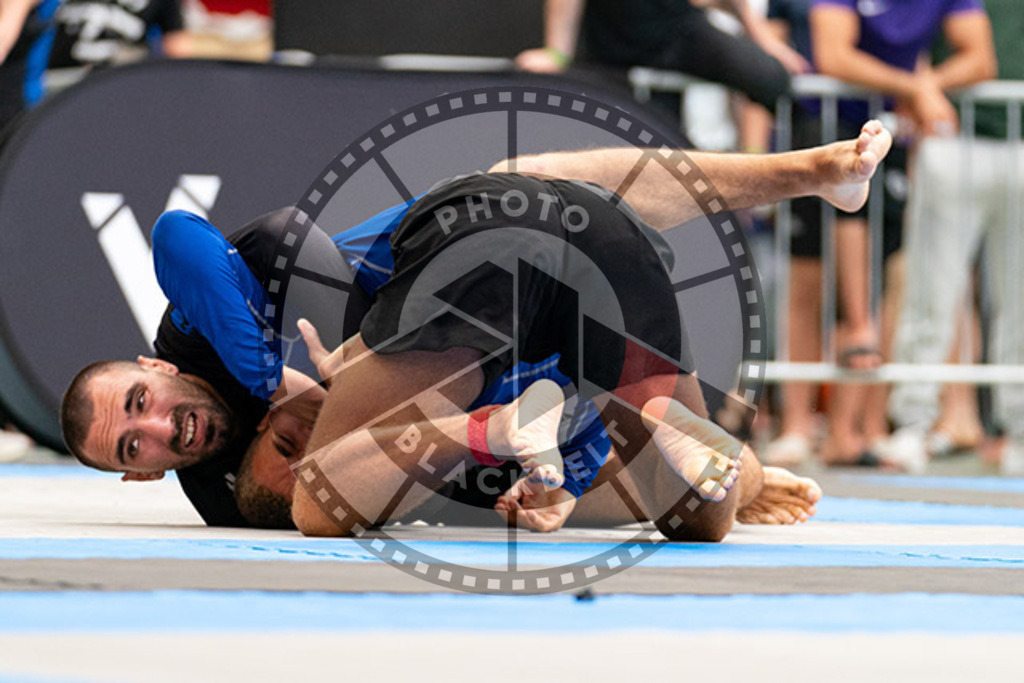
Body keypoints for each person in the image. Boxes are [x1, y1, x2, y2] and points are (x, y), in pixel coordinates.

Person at [62, 124, 891, 538]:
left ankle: (809, 172)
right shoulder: (220, 494)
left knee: (528, 182)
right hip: (519, 346)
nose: (164, 427)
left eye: (141, 402)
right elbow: (398, 496)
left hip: (434, 269)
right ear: (141, 478)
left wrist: (274, 380)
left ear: (154, 364)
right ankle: (674, 440)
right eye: (137, 447)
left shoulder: (202, 336)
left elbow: (193, 236)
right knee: (703, 503)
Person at [767, 0, 995, 468]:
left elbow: (981, 57)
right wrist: (916, 86)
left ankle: (859, 429)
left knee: (884, 286)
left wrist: (924, 87)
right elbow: (833, 55)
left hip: (889, 133)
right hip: (825, 129)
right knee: (817, 285)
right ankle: (799, 425)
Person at [887, 0, 1023, 475]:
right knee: (931, 289)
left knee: (1019, 301)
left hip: (1008, 137)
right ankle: (913, 423)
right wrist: (922, 86)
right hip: (954, 135)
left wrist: (925, 86)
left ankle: (1019, 433)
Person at [516, 0, 808, 113]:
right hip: (611, 46)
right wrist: (557, 51)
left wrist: (767, 42)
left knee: (771, 77)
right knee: (645, 143)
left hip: (680, 31)